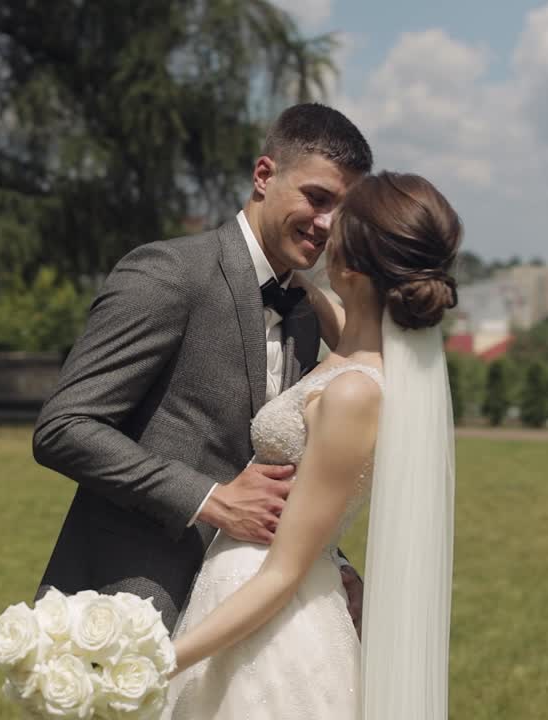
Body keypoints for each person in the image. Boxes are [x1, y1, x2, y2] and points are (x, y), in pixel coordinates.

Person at [31, 103, 373, 634]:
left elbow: (286, 470)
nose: (328, 224)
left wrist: (335, 565)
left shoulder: (306, 314)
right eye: (317, 197)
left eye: (343, 210)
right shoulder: (169, 273)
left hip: (244, 622)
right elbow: (64, 427)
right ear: (264, 176)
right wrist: (210, 500)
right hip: (132, 607)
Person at [163, 171, 460, 719]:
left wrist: (162, 659)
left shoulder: (353, 393)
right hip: (242, 595)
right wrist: (302, 284)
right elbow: (349, 327)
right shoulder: (364, 354)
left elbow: (285, 571)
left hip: (273, 621)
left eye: (335, 224)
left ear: (351, 264)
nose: (322, 230)